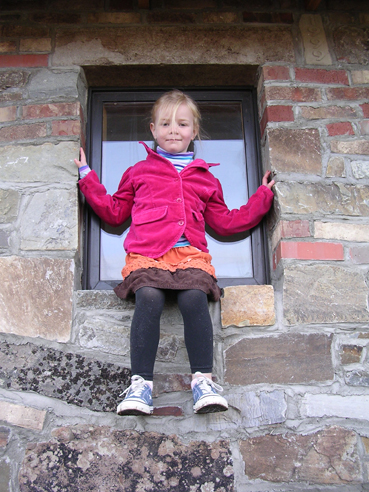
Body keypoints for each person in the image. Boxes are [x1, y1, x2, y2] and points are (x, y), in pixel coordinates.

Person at [75, 90, 275, 416]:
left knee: (194, 298)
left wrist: (262, 197)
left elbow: (225, 223)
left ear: (193, 131)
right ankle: (140, 386)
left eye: (182, 124)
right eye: (165, 124)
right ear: (152, 130)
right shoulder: (138, 172)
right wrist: (87, 178)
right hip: (147, 255)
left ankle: (203, 382)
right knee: (149, 297)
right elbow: (114, 212)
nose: (173, 130)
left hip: (189, 256)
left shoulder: (205, 178)